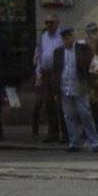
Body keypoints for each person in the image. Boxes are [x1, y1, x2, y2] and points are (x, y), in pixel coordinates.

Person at [52, 28, 98, 152]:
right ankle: (73, 142)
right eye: (64, 38)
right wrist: (55, 90)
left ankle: (94, 142)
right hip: (64, 87)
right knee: (69, 115)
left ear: (72, 36)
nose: (66, 40)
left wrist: (91, 86)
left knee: (85, 114)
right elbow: (55, 71)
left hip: (80, 86)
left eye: (68, 37)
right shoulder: (58, 51)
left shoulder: (82, 48)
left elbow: (90, 67)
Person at [32, 15, 64, 144]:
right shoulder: (44, 37)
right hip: (45, 73)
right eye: (47, 22)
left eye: (51, 22)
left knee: (61, 105)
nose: (49, 25)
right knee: (49, 104)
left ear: (57, 23)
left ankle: (66, 134)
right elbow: (40, 54)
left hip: (58, 72)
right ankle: (53, 133)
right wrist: (39, 72)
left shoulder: (62, 36)